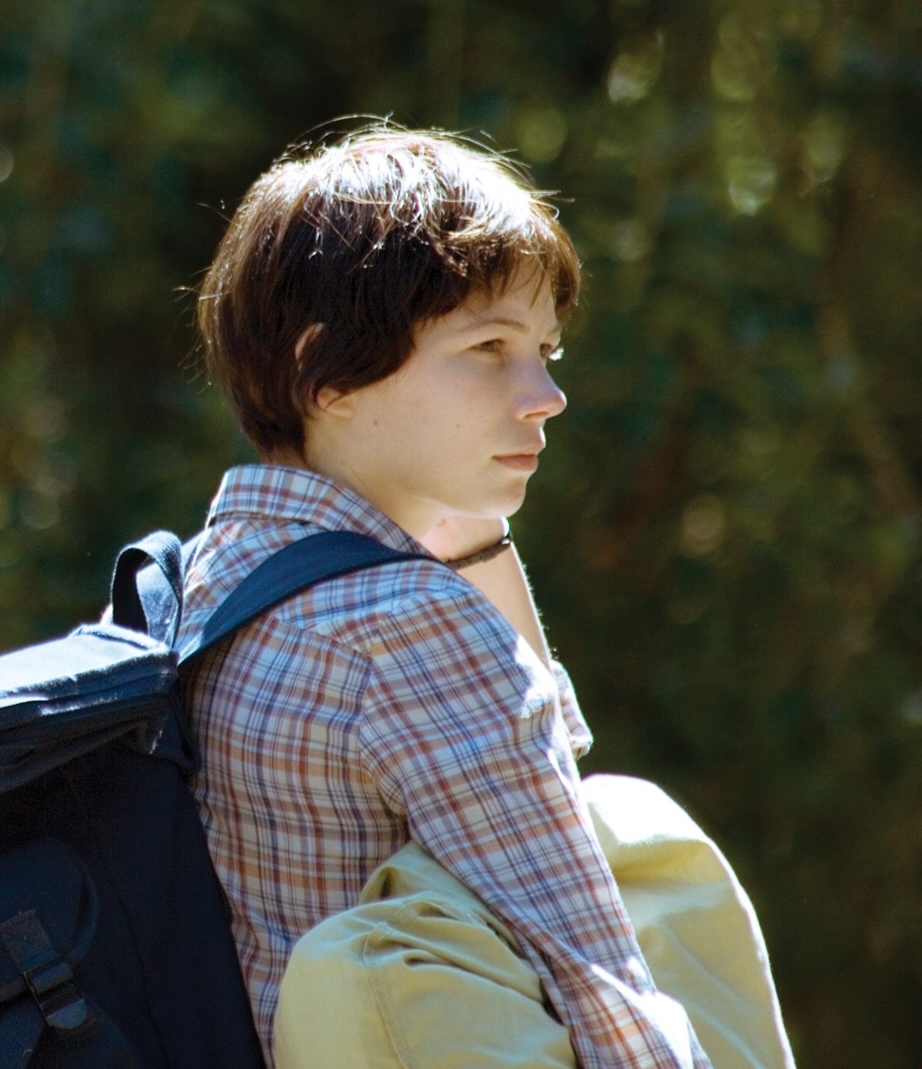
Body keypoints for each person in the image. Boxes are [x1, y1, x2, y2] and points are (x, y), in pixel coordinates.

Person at [180, 126, 794, 1068]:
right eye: (489, 347)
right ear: (327, 372)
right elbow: (590, 955)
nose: (544, 392)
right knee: (649, 845)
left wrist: (468, 534)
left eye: (545, 349)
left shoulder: (224, 567)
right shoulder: (403, 627)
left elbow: (541, 772)